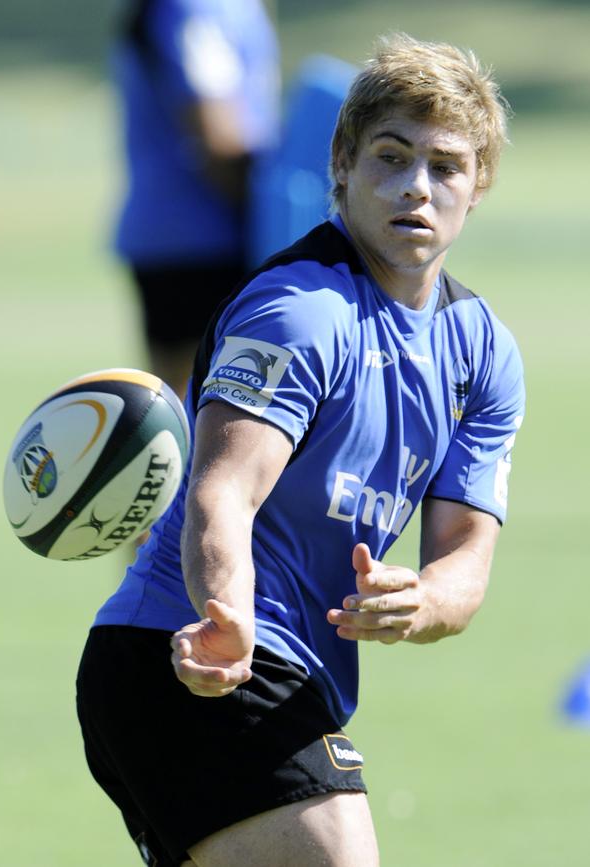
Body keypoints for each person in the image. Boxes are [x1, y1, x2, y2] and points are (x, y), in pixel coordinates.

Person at [77, 33, 525, 867]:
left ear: (479, 186)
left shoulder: (483, 354)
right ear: (343, 163)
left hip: (271, 673)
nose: (415, 188)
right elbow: (222, 496)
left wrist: (422, 599)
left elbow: (467, 562)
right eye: (391, 157)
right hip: (184, 653)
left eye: (445, 166)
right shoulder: (299, 311)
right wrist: (227, 616)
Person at [112, 0, 280, 398]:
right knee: (199, 418)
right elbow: (217, 135)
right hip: (197, 242)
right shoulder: (194, 10)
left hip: (197, 236)